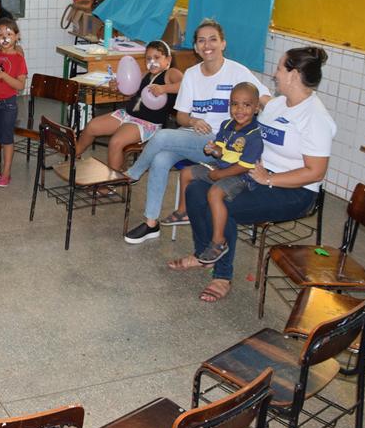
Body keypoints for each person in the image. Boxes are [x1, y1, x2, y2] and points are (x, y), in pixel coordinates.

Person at [171, 47, 336, 303]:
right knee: (195, 189)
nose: (275, 74)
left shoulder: (315, 118)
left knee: (224, 204)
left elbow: (315, 173)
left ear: (294, 75)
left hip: (294, 191)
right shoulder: (277, 105)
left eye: (279, 68)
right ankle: (205, 254)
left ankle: (222, 276)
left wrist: (269, 179)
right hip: (256, 175)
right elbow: (245, 125)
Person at [121, 19, 271, 244]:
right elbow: (181, 117)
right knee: (161, 159)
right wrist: (193, 120)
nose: (207, 45)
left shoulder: (237, 71)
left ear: (223, 43)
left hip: (223, 145)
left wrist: (285, 113)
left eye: (213, 39)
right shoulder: (191, 74)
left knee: (161, 136)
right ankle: (151, 224)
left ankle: (133, 173)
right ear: (195, 47)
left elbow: (265, 98)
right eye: (201, 40)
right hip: (193, 138)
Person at [179, 82, 263, 265]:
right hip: (220, 166)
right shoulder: (227, 125)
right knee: (186, 173)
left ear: (256, 108)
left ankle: (218, 241)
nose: (239, 110)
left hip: (240, 176)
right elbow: (220, 150)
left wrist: (220, 175)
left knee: (215, 193)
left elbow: (245, 166)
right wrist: (212, 149)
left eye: (246, 105)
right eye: (235, 104)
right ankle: (183, 212)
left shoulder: (254, 136)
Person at [74, 40, 183, 174]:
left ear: (168, 60)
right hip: (127, 114)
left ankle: (114, 181)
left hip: (147, 123)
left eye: (157, 57)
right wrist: (118, 87)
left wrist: (164, 88)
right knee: (92, 126)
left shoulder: (170, 73)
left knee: (116, 142)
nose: (152, 62)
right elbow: (132, 93)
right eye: (148, 58)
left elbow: (185, 85)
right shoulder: (146, 74)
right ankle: (74, 156)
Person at [0, 18, 28, 187]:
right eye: (0, 34)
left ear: (17, 36)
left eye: (9, 33)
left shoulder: (19, 59)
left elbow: (20, 85)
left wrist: (3, 75)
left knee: (7, 139)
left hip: (9, 104)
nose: (4, 37)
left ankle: (6, 173)